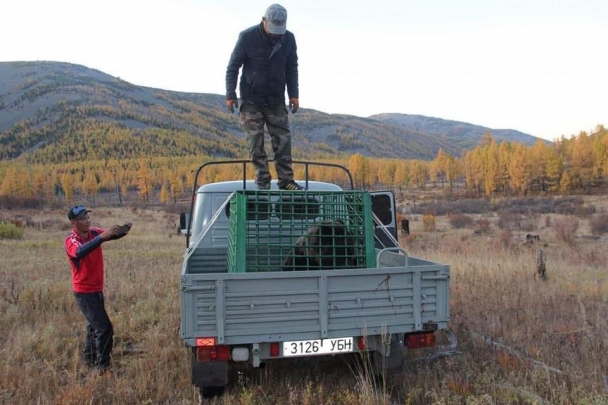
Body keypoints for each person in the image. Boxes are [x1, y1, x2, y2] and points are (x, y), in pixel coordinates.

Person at [225, 4, 305, 191]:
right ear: (264, 21)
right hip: (251, 99)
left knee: (283, 139)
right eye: (272, 30)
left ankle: (286, 181)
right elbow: (233, 67)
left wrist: (294, 94)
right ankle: (262, 181)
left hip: (276, 98)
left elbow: (292, 67)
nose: (275, 34)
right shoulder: (247, 37)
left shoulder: (289, 39)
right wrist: (230, 94)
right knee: (255, 141)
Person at [64, 205, 133, 371]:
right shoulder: (71, 240)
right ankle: (103, 368)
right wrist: (102, 237)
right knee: (104, 328)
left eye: (87, 217)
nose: (87, 220)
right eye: (82, 218)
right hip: (84, 292)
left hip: (96, 289)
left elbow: (109, 236)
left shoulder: (94, 232)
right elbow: (79, 252)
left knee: (93, 326)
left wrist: (123, 230)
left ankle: (90, 360)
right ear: (74, 222)